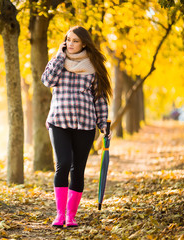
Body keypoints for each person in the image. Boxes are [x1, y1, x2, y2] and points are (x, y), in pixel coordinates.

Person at [41, 26, 112, 228]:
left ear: (84, 43)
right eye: (68, 40)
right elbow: (47, 81)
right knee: (62, 164)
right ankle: (59, 214)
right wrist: (59, 57)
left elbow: (99, 99)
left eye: (75, 41)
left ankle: (71, 216)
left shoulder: (93, 67)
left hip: (85, 123)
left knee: (77, 169)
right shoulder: (58, 61)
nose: (70, 44)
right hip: (59, 121)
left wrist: (103, 124)